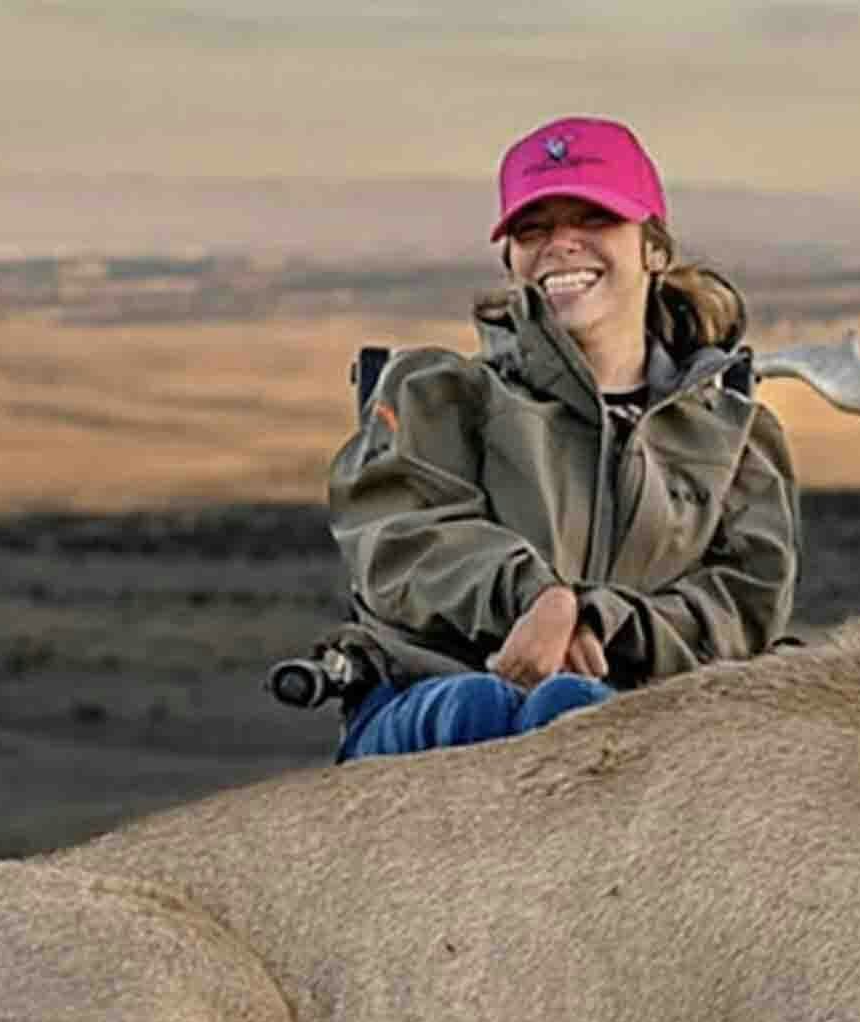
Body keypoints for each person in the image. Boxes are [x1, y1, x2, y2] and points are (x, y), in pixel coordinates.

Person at [320, 115, 802, 762]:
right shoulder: (435, 394)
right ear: (510, 259)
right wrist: (534, 598)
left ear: (653, 248)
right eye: (534, 229)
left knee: (573, 716)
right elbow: (400, 545)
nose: (562, 245)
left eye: (595, 220)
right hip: (433, 696)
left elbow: (743, 610)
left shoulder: (737, 437)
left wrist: (594, 618)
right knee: (482, 708)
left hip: (642, 720)